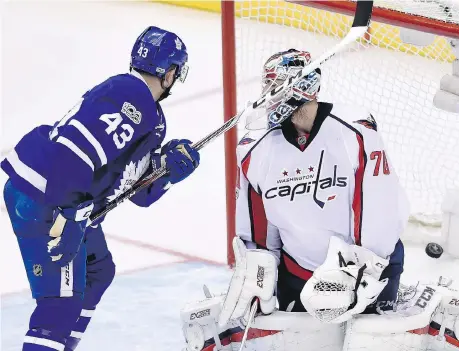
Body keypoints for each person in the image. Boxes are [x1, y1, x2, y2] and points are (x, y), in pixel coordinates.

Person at [2, 26, 200, 351]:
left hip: (61, 197)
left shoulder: (149, 114)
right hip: (50, 199)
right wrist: (73, 215)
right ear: (171, 72)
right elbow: (74, 149)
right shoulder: (131, 96)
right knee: (57, 310)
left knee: (98, 270)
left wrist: (166, 172)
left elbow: (136, 192)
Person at [220, 48, 409, 324]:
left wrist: (362, 272)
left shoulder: (355, 131)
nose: (268, 96)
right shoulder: (254, 149)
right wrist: (258, 268)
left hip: (367, 273)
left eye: (274, 87)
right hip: (298, 276)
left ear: (296, 89)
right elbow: (258, 229)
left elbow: (380, 210)